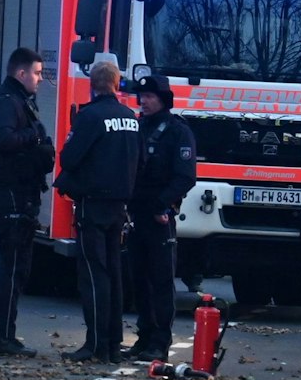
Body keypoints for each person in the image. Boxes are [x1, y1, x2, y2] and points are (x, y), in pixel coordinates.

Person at [55, 58, 140, 362]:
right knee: (114, 274)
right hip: (120, 206)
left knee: (93, 273)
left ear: (93, 85)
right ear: (117, 84)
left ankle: (96, 344)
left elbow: (70, 156)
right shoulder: (130, 117)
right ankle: (114, 343)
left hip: (93, 204)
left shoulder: (90, 117)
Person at [0, 47, 55, 357]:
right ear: (21, 73)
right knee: (12, 269)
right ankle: (1, 338)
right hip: (11, 193)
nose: (39, 79)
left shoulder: (17, 102)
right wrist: (34, 138)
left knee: (18, 269)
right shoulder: (7, 103)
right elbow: (2, 140)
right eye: (37, 73)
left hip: (20, 193)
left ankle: (6, 335)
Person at [126, 73, 196, 361]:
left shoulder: (178, 132)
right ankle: (144, 336)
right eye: (142, 97)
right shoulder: (138, 127)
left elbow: (185, 177)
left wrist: (162, 205)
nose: (144, 101)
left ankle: (160, 341)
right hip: (136, 214)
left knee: (161, 280)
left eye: (150, 97)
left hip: (159, 216)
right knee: (138, 279)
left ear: (163, 100)